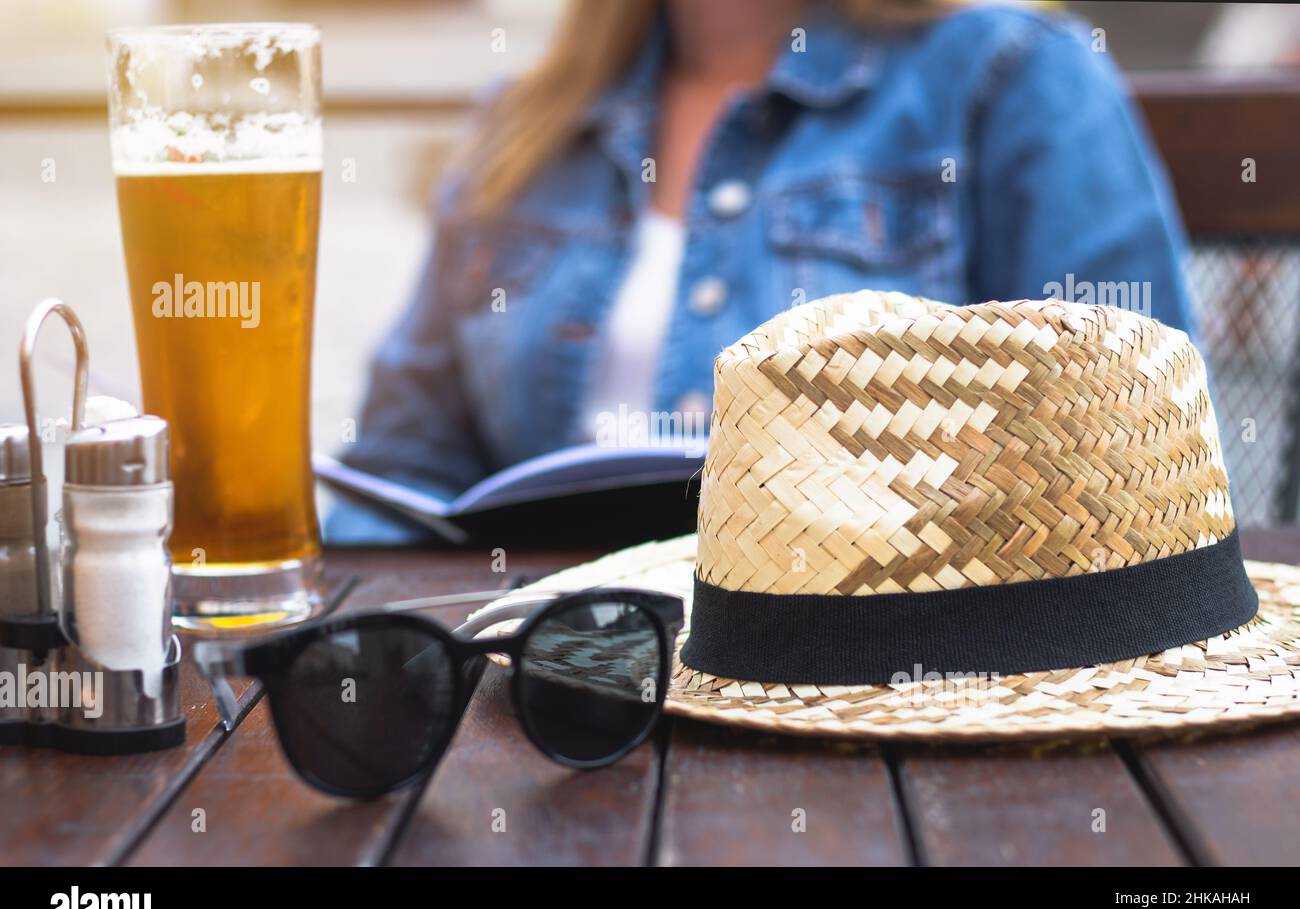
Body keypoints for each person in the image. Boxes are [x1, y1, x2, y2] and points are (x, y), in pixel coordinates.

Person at [328, 0, 1193, 542]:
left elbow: (1135, 456)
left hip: (888, 687)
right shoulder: (523, 126)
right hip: (561, 682)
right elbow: (405, 464)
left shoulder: (1011, 74)